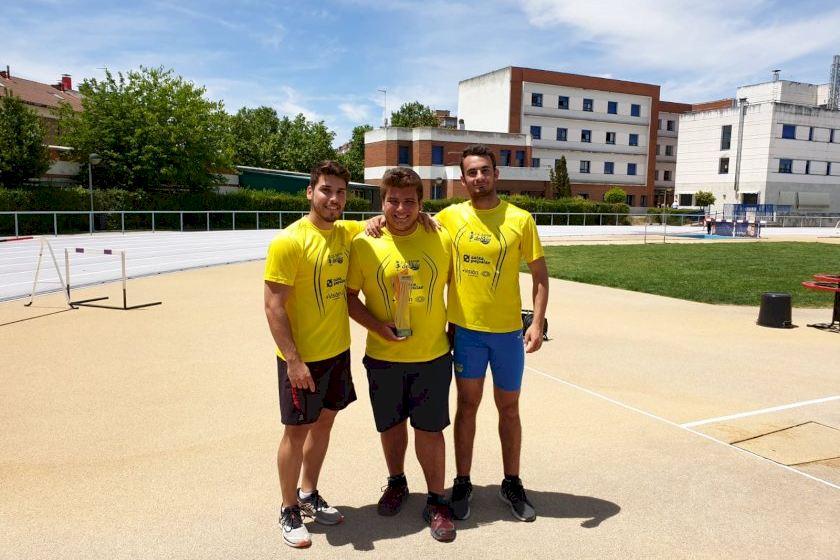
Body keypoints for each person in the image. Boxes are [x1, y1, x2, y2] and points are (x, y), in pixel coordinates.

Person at [437, 145, 549, 523]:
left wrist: (537, 323)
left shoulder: (520, 219)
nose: (479, 177)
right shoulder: (449, 217)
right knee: (467, 406)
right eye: (472, 172)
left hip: (507, 335)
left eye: (485, 170)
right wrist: (374, 222)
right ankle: (462, 482)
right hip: (467, 333)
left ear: (496, 174)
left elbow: (540, 276)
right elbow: (406, 220)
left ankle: (511, 482)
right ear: (463, 179)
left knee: (509, 408)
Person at [347, 167, 456, 542]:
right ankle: (397, 482)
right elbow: (350, 297)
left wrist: (456, 330)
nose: (401, 209)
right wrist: (377, 327)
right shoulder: (365, 242)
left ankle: (437, 500)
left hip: (432, 355)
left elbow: (459, 287)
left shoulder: (440, 236)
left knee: (430, 430)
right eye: (393, 200)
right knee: (391, 426)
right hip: (384, 355)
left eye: (410, 201)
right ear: (382, 202)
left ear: (422, 204)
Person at [263, 160, 362, 548]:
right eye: (326, 190)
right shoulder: (289, 242)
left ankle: (308, 493)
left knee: (324, 425)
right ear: (310, 192)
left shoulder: (346, 233)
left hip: (337, 352)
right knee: (295, 432)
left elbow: (385, 220)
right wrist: (293, 360)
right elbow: (273, 306)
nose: (333, 199)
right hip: (302, 359)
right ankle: (288, 507)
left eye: (340, 192)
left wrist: (422, 217)